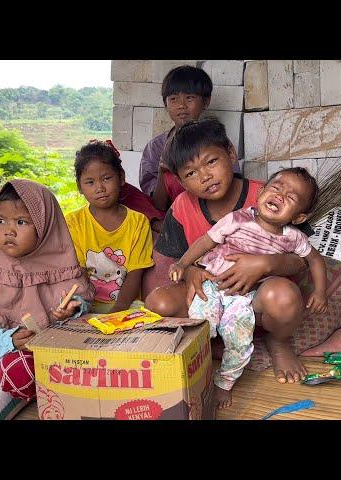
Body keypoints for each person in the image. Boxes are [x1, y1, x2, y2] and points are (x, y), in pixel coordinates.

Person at [145, 118, 313, 385]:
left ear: (231, 154)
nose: (204, 176)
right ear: (180, 181)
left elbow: (303, 261)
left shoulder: (269, 196)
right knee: (158, 303)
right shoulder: (181, 207)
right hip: (210, 292)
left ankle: (278, 342)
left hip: (256, 298)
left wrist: (265, 264)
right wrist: (189, 272)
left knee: (283, 297)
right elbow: (172, 262)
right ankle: (210, 343)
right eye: (190, 173)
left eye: (211, 162)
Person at [169, 167, 327, 408]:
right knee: (200, 327)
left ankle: (224, 383)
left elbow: (314, 259)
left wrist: (320, 291)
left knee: (240, 341)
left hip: (244, 297)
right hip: (212, 283)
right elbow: (205, 241)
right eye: (276, 187)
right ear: (261, 192)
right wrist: (183, 263)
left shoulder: (293, 237)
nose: (281, 195)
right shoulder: (237, 218)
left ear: (298, 218)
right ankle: (191, 371)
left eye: (292, 197)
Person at [0, 179, 95, 401]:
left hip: (60, 348)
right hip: (13, 353)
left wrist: (74, 308)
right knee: (21, 372)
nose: (9, 231)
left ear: (45, 227)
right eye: (0, 221)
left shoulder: (60, 263)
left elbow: (84, 302)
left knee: (98, 364)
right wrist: (9, 340)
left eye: (21, 222)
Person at [65, 140, 155, 314]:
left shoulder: (138, 222)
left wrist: (117, 311)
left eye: (106, 178)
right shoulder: (74, 221)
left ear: (121, 178)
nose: (100, 188)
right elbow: (78, 272)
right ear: (79, 187)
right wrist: (84, 308)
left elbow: (135, 272)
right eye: (90, 182)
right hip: (84, 303)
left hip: (126, 305)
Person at [139, 65, 241, 211]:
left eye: (189, 98)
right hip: (171, 219)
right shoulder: (155, 148)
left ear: (206, 102)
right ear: (165, 103)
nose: (181, 105)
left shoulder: (217, 142)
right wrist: (163, 173)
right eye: (173, 99)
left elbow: (234, 188)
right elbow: (156, 206)